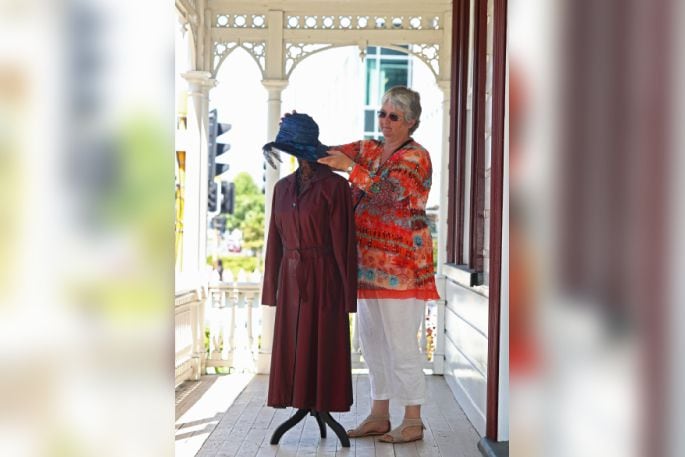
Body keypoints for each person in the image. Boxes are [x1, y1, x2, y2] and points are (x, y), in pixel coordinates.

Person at [317, 86, 440, 444]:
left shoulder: (417, 157)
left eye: (394, 117)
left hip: (403, 268)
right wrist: (295, 138)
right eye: (382, 114)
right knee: (372, 342)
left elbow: (389, 194)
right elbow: (328, 155)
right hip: (366, 265)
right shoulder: (369, 149)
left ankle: (413, 419)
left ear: (411, 122)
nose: (385, 122)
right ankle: (379, 414)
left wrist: (351, 170)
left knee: (402, 344)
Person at [262, 113, 358, 414]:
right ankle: (297, 400)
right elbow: (274, 243)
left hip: (325, 277)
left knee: (323, 342)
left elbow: (345, 243)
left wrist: (347, 296)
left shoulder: (335, 187)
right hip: (291, 280)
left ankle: (320, 404)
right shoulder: (283, 189)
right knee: (292, 342)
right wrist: (271, 290)